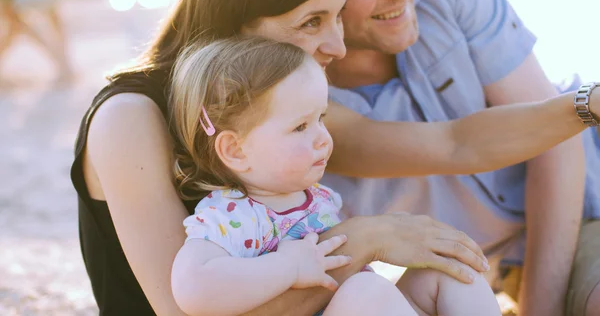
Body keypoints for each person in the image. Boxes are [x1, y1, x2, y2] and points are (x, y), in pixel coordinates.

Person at [70, 0, 600, 314]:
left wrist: (586, 104)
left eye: (337, 14)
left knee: (452, 276)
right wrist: (365, 238)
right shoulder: (130, 119)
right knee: (369, 289)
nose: (337, 45)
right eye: (312, 21)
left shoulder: (282, 103)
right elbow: (183, 309)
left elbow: (455, 144)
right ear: (237, 24)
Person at [279, 0, 600, 315]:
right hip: (455, 271)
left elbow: (559, 143)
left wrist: (541, 309)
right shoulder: (297, 97)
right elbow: (458, 144)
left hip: (576, 206)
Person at [167, 36, 502, 316]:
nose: (323, 138)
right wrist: (287, 267)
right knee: (366, 290)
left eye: (321, 118)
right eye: (300, 126)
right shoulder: (232, 216)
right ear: (236, 151)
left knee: (446, 271)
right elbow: (192, 288)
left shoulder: (319, 198)